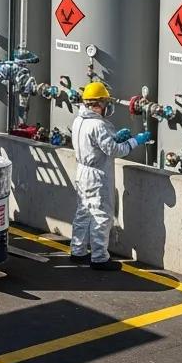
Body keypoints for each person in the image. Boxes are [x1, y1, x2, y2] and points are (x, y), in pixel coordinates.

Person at [70, 81, 153, 270]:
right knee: (101, 215)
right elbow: (115, 151)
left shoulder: (79, 120)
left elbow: (97, 145)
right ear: (98, 104)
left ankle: (77, 251)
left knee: (83, 212)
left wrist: (114, 137)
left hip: (82, 171)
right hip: (97, 174)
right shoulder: (98, 125)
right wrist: (135, 141)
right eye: (105, 102)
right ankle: (99, 258)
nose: (108, 107)